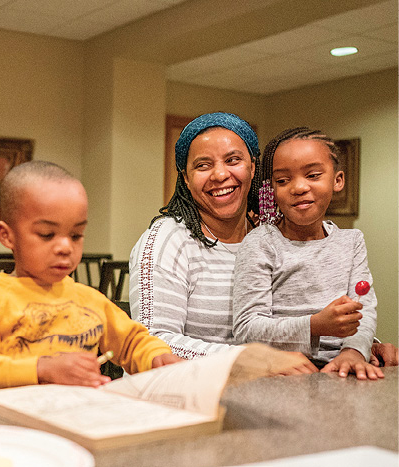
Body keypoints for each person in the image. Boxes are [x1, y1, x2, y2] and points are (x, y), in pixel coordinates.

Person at [130, 112, 398, 370]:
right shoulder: (169, 239)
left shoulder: (272, 234)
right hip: (188, 398)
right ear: (186, 178)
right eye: (203, 165)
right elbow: (153, 342)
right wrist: (255, 359)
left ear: (253, 167)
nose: (220, 175)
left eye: (233, 160)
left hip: (270, 388)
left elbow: (301, 312)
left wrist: (357, 347)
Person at [0, 161, 182, 399]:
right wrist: (41, 369)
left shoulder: (88, 299)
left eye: (76, 235)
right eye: (47, 235)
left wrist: (156, 357)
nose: (65, 247)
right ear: (7, 236)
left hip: (75, 417)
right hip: (12, 426)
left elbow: (132, 342)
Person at [232, 127, 382, 380]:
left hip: (342, 371)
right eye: (282, 180)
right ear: (273, 190)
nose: (298, 187)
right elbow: (246, 328)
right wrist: (314, 326)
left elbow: (363, 309)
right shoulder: (260, 243)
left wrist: (355, 352)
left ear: (338, 180)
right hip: (281, 375)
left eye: (312, 175)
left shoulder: (352, 241)